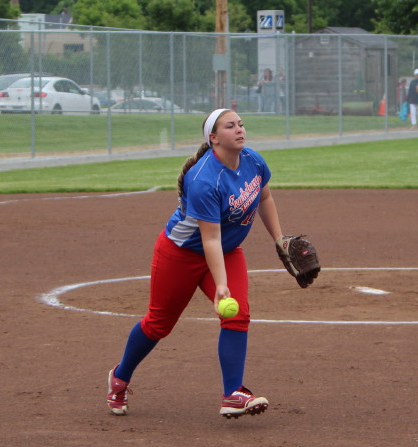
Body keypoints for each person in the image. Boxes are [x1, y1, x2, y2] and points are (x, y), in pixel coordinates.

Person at [104, 109, 304, 419]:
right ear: (214, 138)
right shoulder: (203, 179)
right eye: (230, 126)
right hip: (181, 254)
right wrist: (221, 284)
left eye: (240, 124)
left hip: (227, 251)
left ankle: (233, 394)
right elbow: (209, 239)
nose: (239, 129)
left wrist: (280, 239)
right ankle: (119, 377)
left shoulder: (253, 161)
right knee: (159, 324)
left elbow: (265, 198)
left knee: (238, 314)